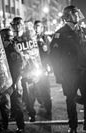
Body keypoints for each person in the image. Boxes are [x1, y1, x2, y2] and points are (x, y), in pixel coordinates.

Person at [49, 5, 85, 133]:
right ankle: (73, 126)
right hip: (69, 74)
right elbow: (53, 56)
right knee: (71, 100)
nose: (78, 16)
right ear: (69, 16)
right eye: (75, 14)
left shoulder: (82, 31)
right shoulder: (60, 33)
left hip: (84, 72)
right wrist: (59, 75)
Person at [1, 17, 26, 133]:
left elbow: (19, 67)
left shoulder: (13, 50)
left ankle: (21, 127)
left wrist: (16, 82)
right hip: (5, 81)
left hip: (14, 81)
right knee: (4, 106)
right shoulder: (0, 50)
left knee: (17, 104)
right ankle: (3, 127)